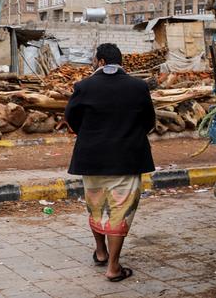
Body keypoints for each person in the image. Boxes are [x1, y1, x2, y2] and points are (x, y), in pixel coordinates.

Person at [64, 43, 155, 282]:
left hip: (91, 157)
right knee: (120, 210)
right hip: (127, 157)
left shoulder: (83, 86)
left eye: (95, 60)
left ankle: (101, 252)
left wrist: (90, 135)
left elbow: (71, 119)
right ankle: (113, 267)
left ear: (101, 62)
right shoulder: (139, 87)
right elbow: (149, 121)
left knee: (96, 206)